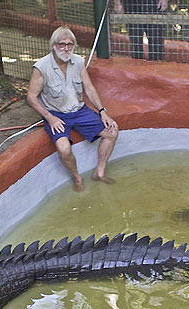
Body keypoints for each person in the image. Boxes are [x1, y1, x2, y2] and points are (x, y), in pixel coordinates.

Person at [27, 27, 118, 191]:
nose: (66, 48)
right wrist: (50, 118)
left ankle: (99, 172)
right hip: (56, 114)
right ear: (54, 45)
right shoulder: (41, 67)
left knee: (112, 131)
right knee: (63, 148)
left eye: (70, 44)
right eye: (62, 44)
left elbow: (89, 88)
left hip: (80, 110)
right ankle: (77, 177)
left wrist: (102, 111)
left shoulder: (78, 61)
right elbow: (31, 97)